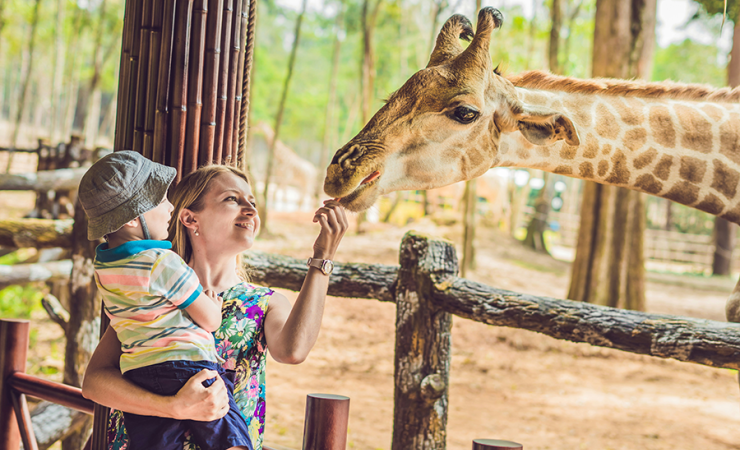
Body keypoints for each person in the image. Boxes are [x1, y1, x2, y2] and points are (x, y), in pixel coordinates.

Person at [82, 163, 349, 450]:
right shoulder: (150, 291)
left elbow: (293, 351)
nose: (250, 210)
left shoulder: (264, 303)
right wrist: (173, 407)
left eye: (253, 202)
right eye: (232, 199)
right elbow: (95, 382)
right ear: (189, 218)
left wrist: (323, 257)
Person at [79, 151, 252, 450]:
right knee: (231, 437)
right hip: (189, 368)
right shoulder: (162, 263)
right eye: (160, 200)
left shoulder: (104, 269)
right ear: (133, 218)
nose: (170, 206)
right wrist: (212, 303)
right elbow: (210, 320)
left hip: (140, 375)